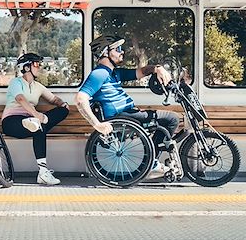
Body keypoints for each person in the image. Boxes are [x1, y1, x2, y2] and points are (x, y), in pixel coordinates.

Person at [74, 34, 180, 179]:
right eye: (117, 49)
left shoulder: (114, 73)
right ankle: (151, 163)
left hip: (129, 114)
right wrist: (97, 125)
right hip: (122, 117)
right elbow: (80, 99)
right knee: (171, 119)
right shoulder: (99, 74)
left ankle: (151, 162)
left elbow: (142, 72)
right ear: (105, 52)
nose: (122, 51)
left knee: (168, 120)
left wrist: (158, 69)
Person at [1, 52, 70, 185]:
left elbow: (53, 99)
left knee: (55, 116)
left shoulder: (38, 86)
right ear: (27, 67)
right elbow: (20, 99)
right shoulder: (16, 82)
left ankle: (42, 173)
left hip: (32, 121)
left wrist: (62, 104)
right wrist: (36, 114)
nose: (39, 67)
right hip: (12, 122)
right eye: (36, 64)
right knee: (37, 124)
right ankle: (34, 122)